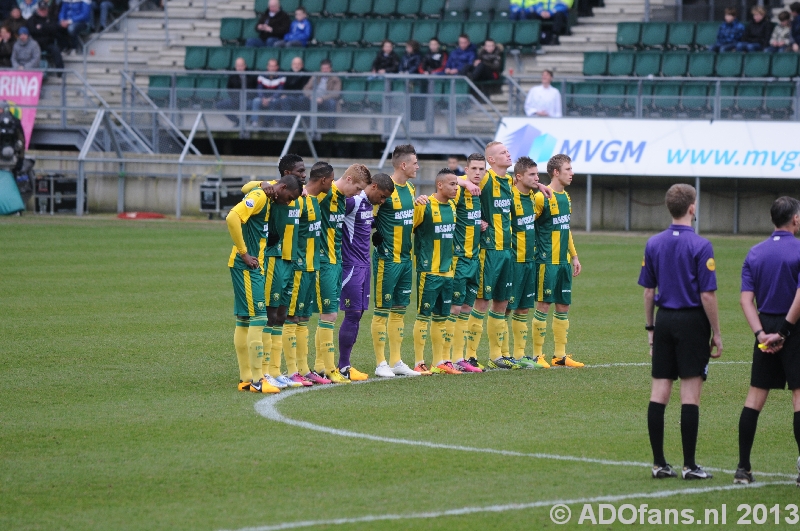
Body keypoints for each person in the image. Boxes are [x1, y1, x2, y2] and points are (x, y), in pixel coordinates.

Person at [638, 183, 722, 480]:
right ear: (691, 208)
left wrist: (651, 328)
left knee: (659, 392)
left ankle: (659, 463)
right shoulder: (701, 245)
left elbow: (649, 292)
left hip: (664, 321)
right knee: (690, 396)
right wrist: (717, 333)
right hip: (691, 323)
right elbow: (707, 296)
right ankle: (689, 465)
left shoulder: (654, 243)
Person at [733, 197, 800, 486]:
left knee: (754, 398)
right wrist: (784, 331)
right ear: (794, 220)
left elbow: (746, 299)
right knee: (799, 398)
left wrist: (761, 333)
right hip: (793, 328)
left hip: (765, 327)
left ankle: (743, 468)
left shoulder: (755, 252)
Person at [226, 174, 301, 394]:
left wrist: (261, 183)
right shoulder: (260, 196)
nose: (288, 202)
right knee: (259, 319)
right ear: (284, 187)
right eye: (289, 197)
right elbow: (232, 218)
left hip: (251, 265)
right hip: (247, 266)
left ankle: (247, 378)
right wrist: (244, 254)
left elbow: (247, 187)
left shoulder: (267, 194)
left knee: (244, 320)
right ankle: (258, 380)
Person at [241, 154, 307, 388]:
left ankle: (276, 370)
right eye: (300, 171)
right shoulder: (273, 189)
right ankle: (264, 371)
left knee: (281, 315)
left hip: (290, 261)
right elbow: (245, 187)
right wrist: (262, 184)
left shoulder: (300, 195)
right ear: (287, 172)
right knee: (269, 314)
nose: (304, 175)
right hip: (272, 259)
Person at [311, 163, 372, 383]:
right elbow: (301, 195)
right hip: (324, 262)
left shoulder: (340, 200)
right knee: (328, 315)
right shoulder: (325, 196)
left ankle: (323, 367)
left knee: (329, 315)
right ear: (348, 180)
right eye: (357, 189)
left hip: (337, 263)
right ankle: (327, 367)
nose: (357, 195)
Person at [371, 144, 425, 378]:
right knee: (382, 311)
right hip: (387, 259)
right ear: (403, 165)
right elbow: (369, 220)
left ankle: (396, 361)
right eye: (415, 162)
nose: (418, 166)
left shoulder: (411, 188)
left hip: (406, 258)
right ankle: (381, 362)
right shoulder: (384, 190)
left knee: (400, 310)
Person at [339, 173, 394, 377]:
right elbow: (332, 217)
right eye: (382, 196)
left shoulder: (369, 205)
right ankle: (342, 366)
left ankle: (345, 365)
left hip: (365, 264)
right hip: (351, 265)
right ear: (374, 186)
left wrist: (373, 227)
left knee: (359, 313)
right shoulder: (352, 201)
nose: (383, 201)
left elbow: (361, 224)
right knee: (351, 314)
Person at [282, 161, 332, 385]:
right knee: (291, 319)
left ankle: (303, 368)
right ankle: (292, 370)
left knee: (303, 319)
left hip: (312, 268)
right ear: (323, 180)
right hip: (298, 268)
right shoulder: (298, 202)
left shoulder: (314, 200)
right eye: (331, 180)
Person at [531, 154, 583, 368]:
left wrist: (574, 256)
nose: (572, 173)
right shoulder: (542, 197)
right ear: (556, 172)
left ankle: (560, 356)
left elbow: (565, 228)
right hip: (546, 261)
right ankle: (537, 355)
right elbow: (528, 225)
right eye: (568, 169)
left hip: (562, 262)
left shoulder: (566, 197)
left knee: (563, 306)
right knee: (543, 305)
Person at [411, 168, 461, 375]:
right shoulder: (424, 205)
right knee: (424, 316)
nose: (456, 188)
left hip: (448, 271)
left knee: (442, 317)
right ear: (439, 185)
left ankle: (440, 361)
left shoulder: (452, 206)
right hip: (429, 271)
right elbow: (409, 228)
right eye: (452, 184)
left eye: (457, 184)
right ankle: (418, 361)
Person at [450, 153, 488, 372]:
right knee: (454, 309)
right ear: (466, 169)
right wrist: (461, 181)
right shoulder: (459, 191)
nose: (477, 172)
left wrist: (480, 223)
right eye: (473, 168)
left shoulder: (478, 193)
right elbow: (440, 194)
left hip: (474, 259)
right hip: (459, 259)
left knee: (466, 309)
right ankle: (447, 358)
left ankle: (460, 357)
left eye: (481, 169)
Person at [507, 157, 545, 369]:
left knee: (523, 309)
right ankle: (501, 356)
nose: (537, 178)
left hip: (530, 261)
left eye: (537, 174)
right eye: (532, 174)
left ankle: (519, 355)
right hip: (513, 261)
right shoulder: (509, 196)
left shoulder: (533, 196)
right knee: (505, 309)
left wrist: (539, 186)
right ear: (518, 177)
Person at [217, 57, 257, 127]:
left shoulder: (251, 75)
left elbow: (254, 90)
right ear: (235, 67)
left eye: (241, 65)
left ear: (245, 66)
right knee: (220, 105)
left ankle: (244, 121)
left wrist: (244, 98)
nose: (239, 68)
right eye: (238, 66)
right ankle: (237, 121)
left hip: (248, 99)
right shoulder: (232, 76)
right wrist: (235, 98)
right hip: (236, 99)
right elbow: (229, 89)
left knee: (250, 104)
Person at [302, 58, 340, 128]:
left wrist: (322, 98)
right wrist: (311, 96)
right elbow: (306, 88)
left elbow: (336, 93)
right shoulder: (315, 76)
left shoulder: (336, 79)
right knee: (302, 99)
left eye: (327, 68)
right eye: (323, 68)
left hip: (325, 100)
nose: (325, 70)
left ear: (330, 69)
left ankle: (331, 129)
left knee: (332, 103)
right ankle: (303, 127)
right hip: (313, 99)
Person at [27, 1, 64, 70]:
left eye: (44, 9)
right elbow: (32, 31)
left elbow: (54, 29)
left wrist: (42, 27)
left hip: (48, 43)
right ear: (38, 10)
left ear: (47, 10)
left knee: (56, 50)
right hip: (35, 43)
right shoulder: (32, 19)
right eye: (41, 10)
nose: (43, 11)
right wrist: (46, 29)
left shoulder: (51, 18)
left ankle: (60, 72)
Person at [249, 57, 284, 128]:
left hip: (274, 98)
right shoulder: (261, 75)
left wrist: (270, 99)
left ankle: (271, 123)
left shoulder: (282, 76)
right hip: (263, 98)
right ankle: (254, 122)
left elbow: (280, 91)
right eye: (270, 66)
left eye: (274, 66)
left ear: (277, 67)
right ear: (267, 67)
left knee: (275, 102)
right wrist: (263, 98)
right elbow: (259, 88)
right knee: (256, 101)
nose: (272, 68)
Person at [274, 56, 309, 126]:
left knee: (302, 99)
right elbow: (283, 87)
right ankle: (287, 124)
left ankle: (301, 124)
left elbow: (306, 89)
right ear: (291, 65)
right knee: (283, 100)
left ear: (302, 65)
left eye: (298, 64)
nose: (296, 66)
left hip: (301, 97)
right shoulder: (287, 74)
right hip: (289, 97)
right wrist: (283, 94)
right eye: (295, 64)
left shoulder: (307, 74)